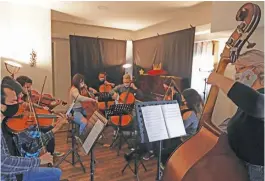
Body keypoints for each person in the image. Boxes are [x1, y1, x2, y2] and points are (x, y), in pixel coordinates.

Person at [207, 49, 264, 181]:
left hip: (259, 169)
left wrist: (219, 79)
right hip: (242, 163)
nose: (237, 74)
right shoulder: (247, 98)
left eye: (241, 69)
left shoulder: (258, 97)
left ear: (258, 69)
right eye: (236, 70)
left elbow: (258, 105)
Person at [1, 78, 64, 181]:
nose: (19, 104)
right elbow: (3, 163)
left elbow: (30, 145)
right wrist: (38, 161)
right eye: (14, 101)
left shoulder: (11, 125)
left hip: (20, 171)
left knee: (57, 173)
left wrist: (55, 129)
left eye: (19, 100)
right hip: (11, 177)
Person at [15, 75, 64, 157]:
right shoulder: (17, 99)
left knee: (49, 128)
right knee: (48, 129)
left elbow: (33, 105)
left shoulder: (27, 96)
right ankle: (45, 153)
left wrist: (44, 107)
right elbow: (27, 105)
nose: (30, 89)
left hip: (29, 124)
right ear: (20, 86)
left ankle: (50, 152)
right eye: (27, 87)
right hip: (23, 128)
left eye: (30, 87)